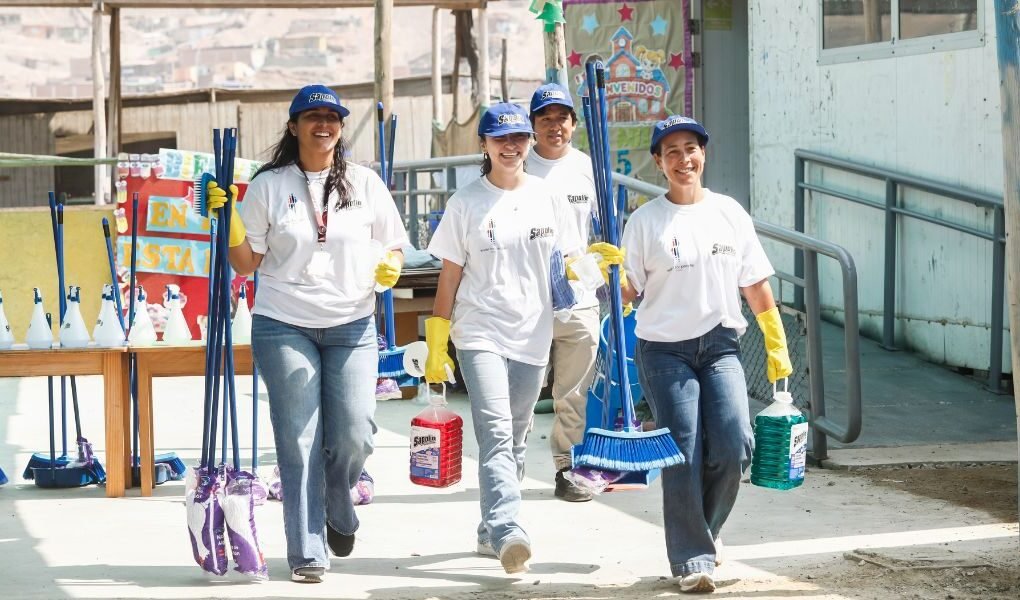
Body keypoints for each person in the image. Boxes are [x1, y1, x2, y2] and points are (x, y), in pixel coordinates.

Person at [206, 84, 409, 584]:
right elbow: (245, 263)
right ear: (293, 126)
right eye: (313, 116)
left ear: (341, 127)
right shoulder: (269, 185)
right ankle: (307, 550)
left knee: (355, 432)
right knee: (299, 440)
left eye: (332, 117)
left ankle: (338, 496)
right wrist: (227, 219)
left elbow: (394, 245)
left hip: (352, 323)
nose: (324, 124)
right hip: (284, 323)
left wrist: (391, 265)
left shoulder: (364, 182)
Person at [618, 116, 793, 593]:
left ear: (704, 154)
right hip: (663, 351)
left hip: (720, 346)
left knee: (735, 445)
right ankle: (691, 558)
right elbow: (629, 291)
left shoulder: (729, 213)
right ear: (658, 162)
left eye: (690, 148)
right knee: (683, 451)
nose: (683, 159)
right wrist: (607, 275)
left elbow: (755, 283)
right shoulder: (645, 221)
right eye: (671, 152)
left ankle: (706, 533)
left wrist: (775, 342)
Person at [424, 102, 583, 574]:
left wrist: (598, 270)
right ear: (485, 145)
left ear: (529, 142)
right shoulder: (466, 202)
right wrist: (437, 342)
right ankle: (508, 528)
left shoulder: (547, 197)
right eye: (500, 139)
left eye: (518, 138)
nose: (511, 146)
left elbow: (567, 263)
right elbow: (449, 277)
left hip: (533, 332)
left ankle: (487, 528)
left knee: (515, 436)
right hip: (480, 331)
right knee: (494, 432)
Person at [526, 83, 600, 502]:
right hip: (527, 296)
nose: (555, 126)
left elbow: (602, 225)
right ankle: (508, 466)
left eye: (562, 118)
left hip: (579, 292)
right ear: (533, 124)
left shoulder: (588, 166)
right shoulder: (518, 164)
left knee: (573, 392)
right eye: (545, 118)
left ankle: (567, 467)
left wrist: (606, 263)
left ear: (574, 123)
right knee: (522, 390)